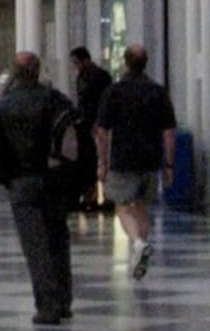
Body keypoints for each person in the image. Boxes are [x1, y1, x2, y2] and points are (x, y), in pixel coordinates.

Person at [0, 52, 74, 326]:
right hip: (53, 179)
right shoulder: (55, 100)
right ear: (37, 72)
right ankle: (63, 300)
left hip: (22, 182)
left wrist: (7, 179)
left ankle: (47, 306)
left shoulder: (4, 105)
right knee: (58, 240)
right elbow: (73, 138)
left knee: (36, 247)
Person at [96, 45, 176, 281]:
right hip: (151, 160)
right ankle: (139, 252)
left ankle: (139, 243)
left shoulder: (114, 91)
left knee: (122, 206)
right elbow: (169, 132)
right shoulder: (158, 92)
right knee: (141, 206)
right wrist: (169, 165)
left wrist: (102, 161)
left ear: (126, 63)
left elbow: (101, 131)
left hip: (123, 159)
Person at [70, 46, 113, 212]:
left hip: (98, 123)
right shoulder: (81, 76)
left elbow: (105, 101)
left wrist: (100, 121)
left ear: (86, 60)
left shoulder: (101, 77)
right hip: (86, 123)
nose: (76, 66)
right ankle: (90, 195)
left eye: (77, 62)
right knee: (88, 161)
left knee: (102, 159)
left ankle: (106, 196)